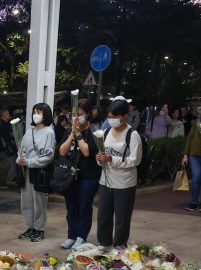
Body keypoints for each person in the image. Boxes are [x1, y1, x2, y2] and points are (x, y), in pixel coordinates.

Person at [95, 98, 142, 250]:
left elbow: (135, 160)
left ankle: (119, 245)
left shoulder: (132, 134)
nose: (111, 120)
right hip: (106, 180)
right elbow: (102, 153)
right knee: (103, 214)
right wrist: (100, 159)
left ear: (124, 115)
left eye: (115, 117)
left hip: (124, 182)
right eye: (109, 117)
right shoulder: (106, 132)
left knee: (122, 216)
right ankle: (104, 242)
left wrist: (112, 159)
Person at [58, 99, 100, 249]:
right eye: (73, 114)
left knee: (84, 206)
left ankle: (81, 236)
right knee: (71, 207)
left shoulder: (94, 132)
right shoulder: (68, 131)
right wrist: (72, 133)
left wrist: (78, 133)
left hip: (88, 176)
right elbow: (62, 152)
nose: (75, 117)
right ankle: (71, 236)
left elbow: (87, 151)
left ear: (87, 114)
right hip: (71, 176)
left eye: (79, 114)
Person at [16, 102, 57, 241]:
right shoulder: (29, 132)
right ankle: (30, 227)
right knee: (26, 202)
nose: (36, 115)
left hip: (40, 172)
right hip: (26, 171)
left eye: (39, 112)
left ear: (46, 114)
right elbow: (21, 149)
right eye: (34, 112)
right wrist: (19, 159)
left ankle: (40, 229)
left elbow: (48, 156)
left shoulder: (49, 132)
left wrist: (30, 162)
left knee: (39, 202)